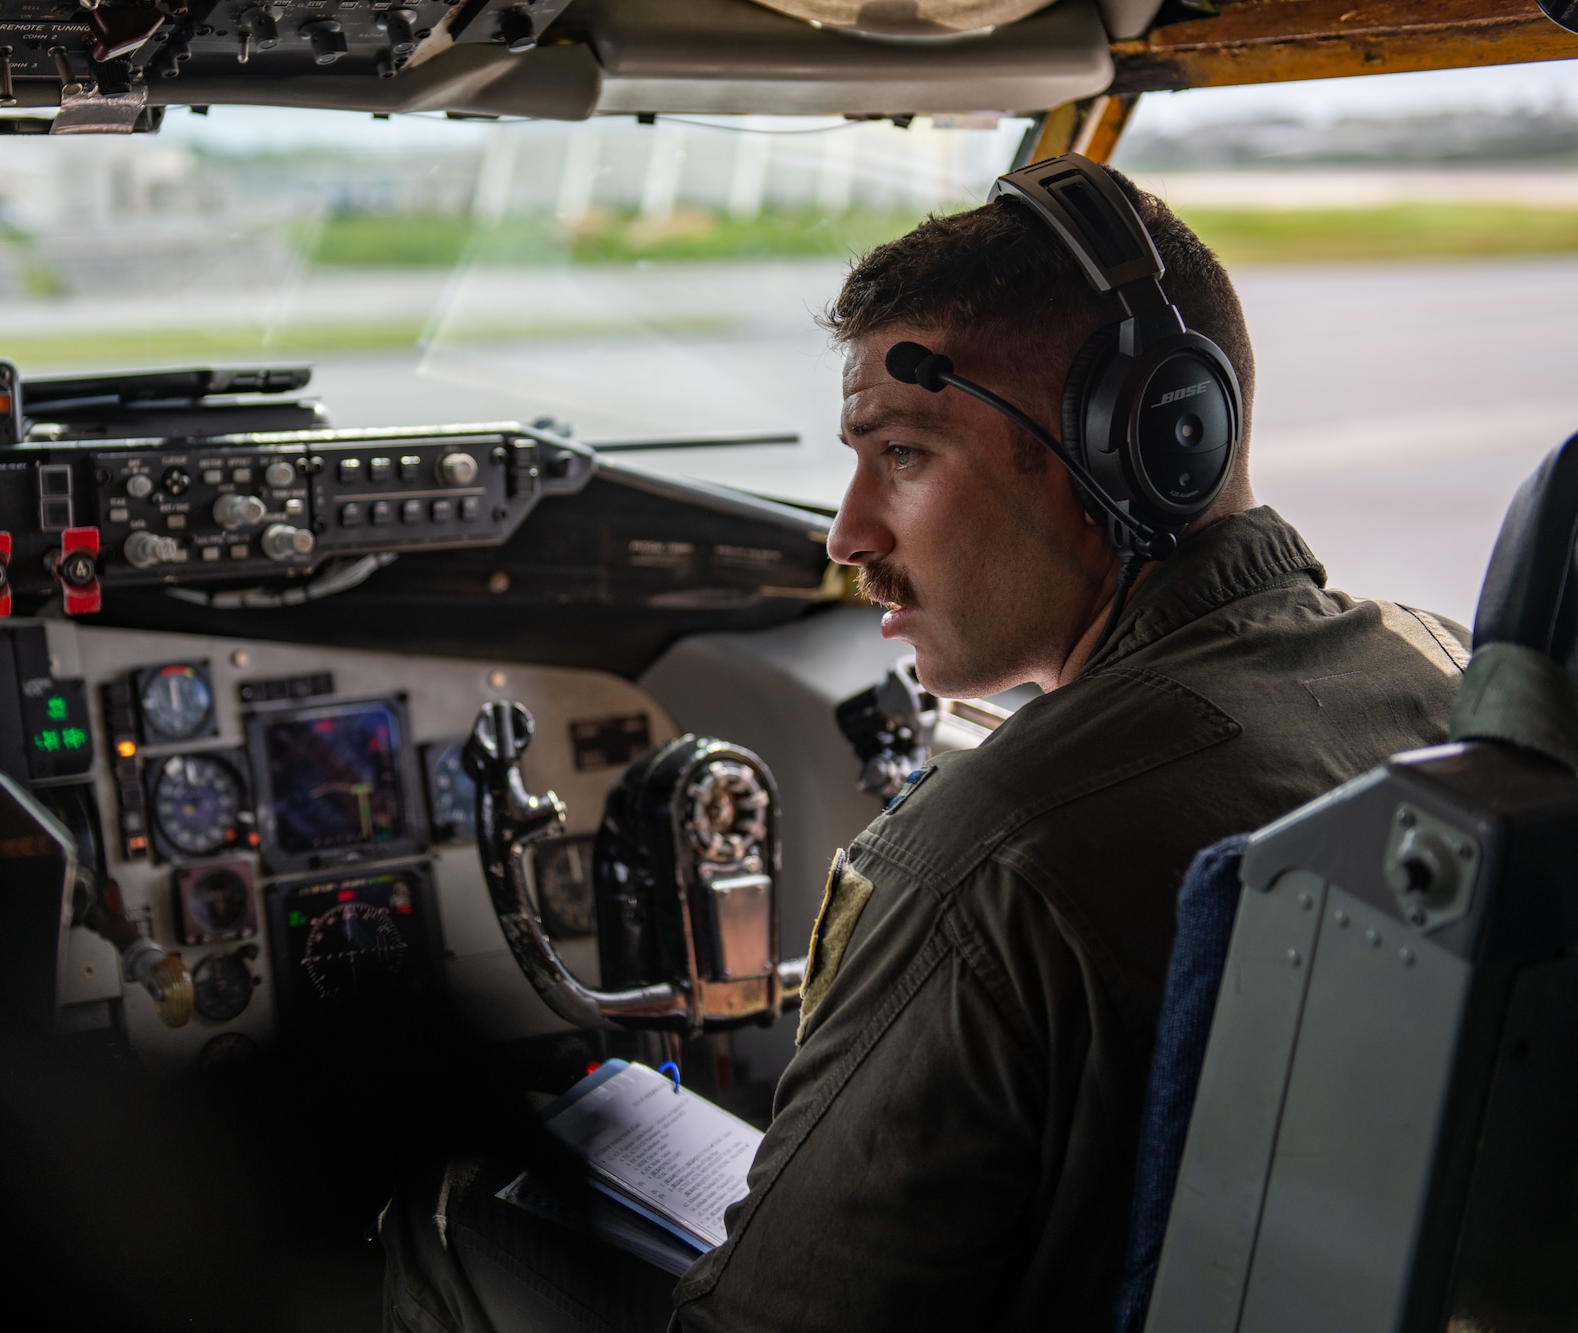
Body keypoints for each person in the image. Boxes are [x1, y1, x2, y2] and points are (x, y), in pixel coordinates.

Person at [382, 163, 1469, 1332]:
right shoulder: (1452, 676)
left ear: (1139, 446)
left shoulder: (985, 856)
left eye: (899, 453)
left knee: (437, 1204)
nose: (847, 532)